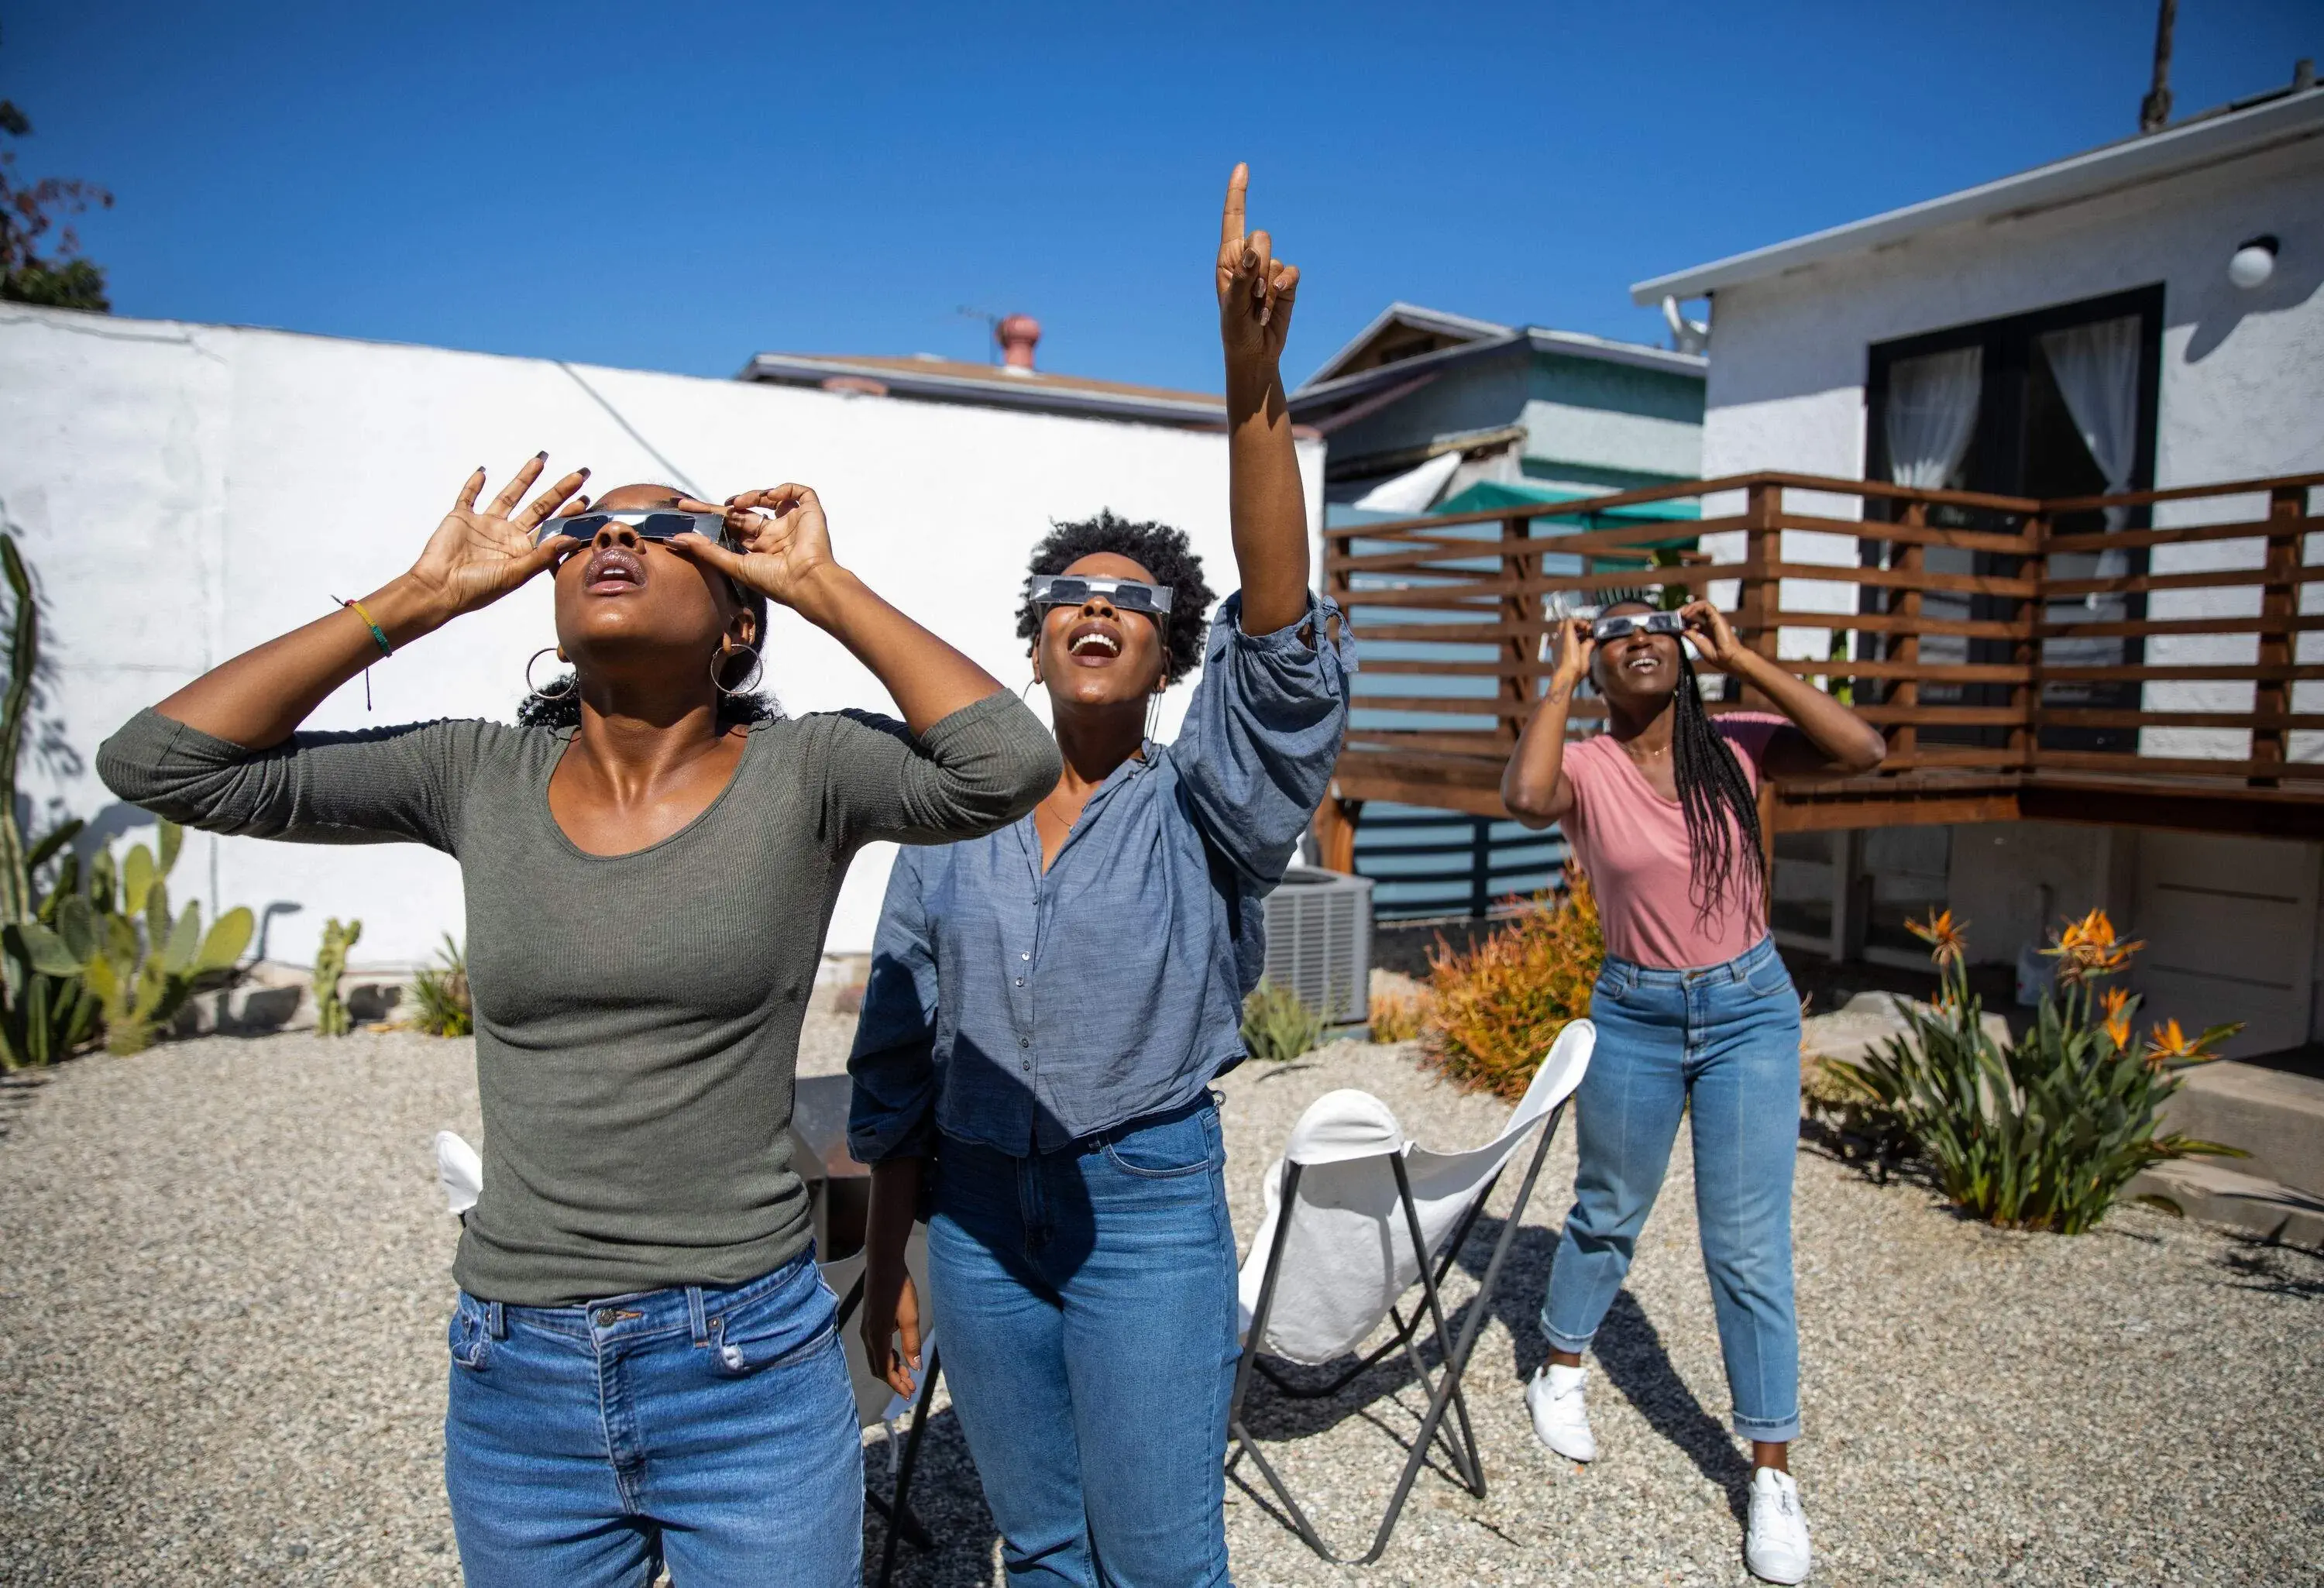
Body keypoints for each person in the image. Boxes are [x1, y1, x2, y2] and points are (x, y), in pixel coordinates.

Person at [95, 463, 1061, 1587]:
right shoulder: (473, 773)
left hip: (746, 1363)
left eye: (667, 532)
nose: (616, 541)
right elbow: (160, 762)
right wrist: (417, 597)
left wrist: (823, 584)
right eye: (586, 531)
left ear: (738, 616)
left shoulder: (812, 772)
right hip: (519, 1379)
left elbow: (1007, 762)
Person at [844, 164, 1351, 1588]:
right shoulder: (945, 816)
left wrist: (1253, 391)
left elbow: (1285, 642)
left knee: (1162, 1563)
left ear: (1172, 654)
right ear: (1033, 633)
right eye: (1076, 588)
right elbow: (896, 1052)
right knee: (1048, 1551)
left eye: (1138, 600)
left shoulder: (1209, 804)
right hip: (979, 1222)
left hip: (1144, 1212)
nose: (1102, 606)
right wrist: (889, 1259)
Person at [1499, 597, 1885, 1586]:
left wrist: (1746, 656)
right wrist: (1557, 673)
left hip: (1750, 1012)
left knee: (1748, 1245)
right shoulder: (1586, 763)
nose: (1639, 640)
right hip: (1635, 1012)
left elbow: (1863, 748)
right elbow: (1525, 795)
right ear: (1597, 661)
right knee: (1608, 1209)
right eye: (1615, 630)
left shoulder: (1741, 745)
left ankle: (1770, 1475)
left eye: (1657, 627)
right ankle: (1562, 1364)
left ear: (1685, 650)